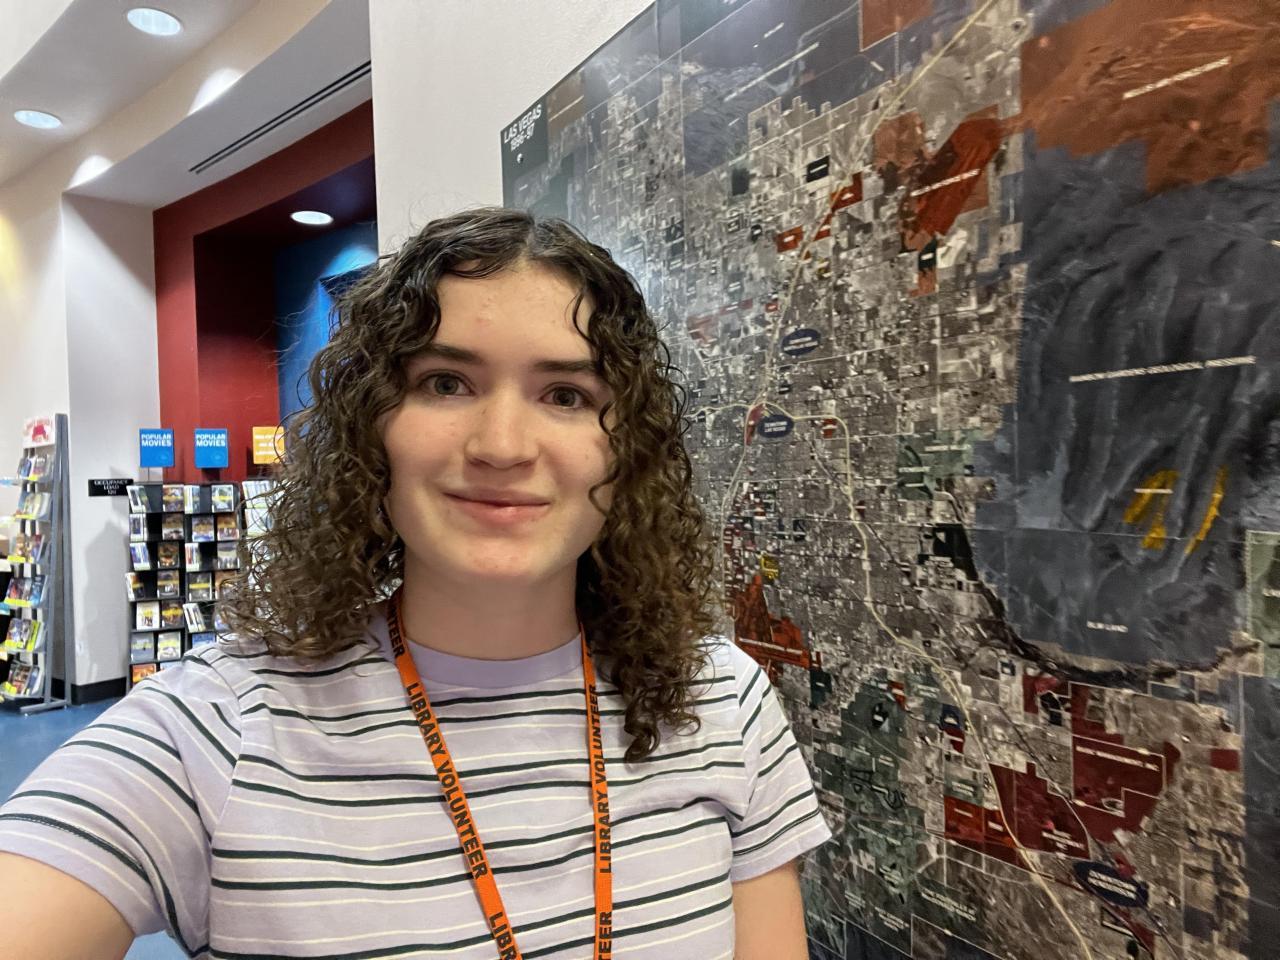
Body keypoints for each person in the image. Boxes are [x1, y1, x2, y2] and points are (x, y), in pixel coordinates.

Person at [0, 208, 830, 959]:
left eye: (566, 394)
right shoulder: (216, 728)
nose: (502, 445)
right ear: (372, 428)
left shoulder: (723, 701)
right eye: (445, 383)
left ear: (627, 451)